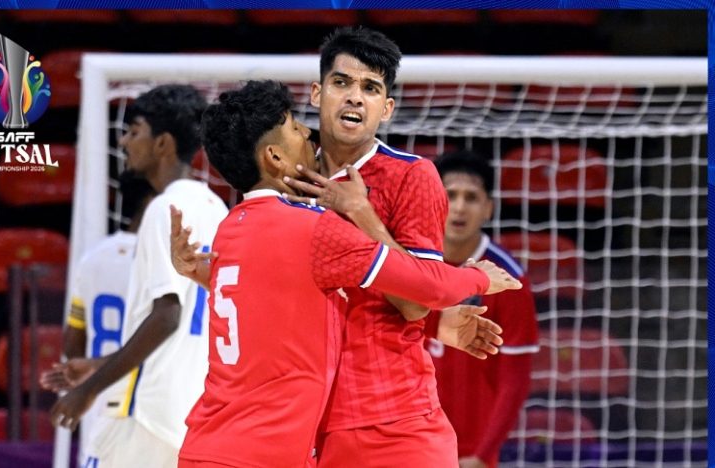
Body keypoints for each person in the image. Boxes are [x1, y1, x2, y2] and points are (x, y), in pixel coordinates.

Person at [173, 80, 521, 468]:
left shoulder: (231, 228)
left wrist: (435, 324)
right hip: (263, 453)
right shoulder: (311, 228)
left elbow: (276, 304)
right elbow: (426, 285)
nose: (308, 134)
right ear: (274, 156)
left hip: (205, 445)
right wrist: (479, 277)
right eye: (294, 128)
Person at [282, 26, 465, 467]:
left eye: (370, 88)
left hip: (392, 421)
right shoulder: (287, 178)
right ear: (316, 93)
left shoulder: (412, 175)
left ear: (386, 109)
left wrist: (362, 214)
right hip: (304, 419)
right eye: (341, 82)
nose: (355, 98)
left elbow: (416, 305)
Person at [48, 84, 229, 468]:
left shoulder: (165, 208)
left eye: (134, 131)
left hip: (144, 411)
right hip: (194, 407)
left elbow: (168, 315)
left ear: (163, 143)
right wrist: (96, 365)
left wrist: (89, 390)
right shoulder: (216, 208)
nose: (124, 141)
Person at [428, 150, 540, 468]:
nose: (459, 207)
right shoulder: (408, 263)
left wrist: (482, 453)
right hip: (408, 438)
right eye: (450, 195)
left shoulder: (509, 279)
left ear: (489, 208)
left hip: (469, 450)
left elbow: (514, 380)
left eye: (472, 197)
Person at [45, 171, 154, 468]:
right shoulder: (161, 260)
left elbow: (73, 344)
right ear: (151, 201)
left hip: (96, 405)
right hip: (146, 409)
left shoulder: (92, 258)